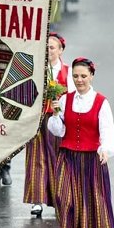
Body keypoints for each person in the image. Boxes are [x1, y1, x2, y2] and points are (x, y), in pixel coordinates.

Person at [47, 58, 114, 228]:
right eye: (76, 76)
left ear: (91, 76)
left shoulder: (101, 102)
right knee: (64, 197)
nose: (79, 80)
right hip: (67, 155)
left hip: (90, 159)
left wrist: (105, 150)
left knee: (87, 200)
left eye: (83, 76)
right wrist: (56, 113)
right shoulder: (65, 99)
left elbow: (107, 130)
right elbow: (58, 130)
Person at [24, 33, 70, 218]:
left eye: (52, 47)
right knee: (37, 157)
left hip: (59, 118)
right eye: (46, 47)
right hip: (38, 117)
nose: (49, 51)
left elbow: (73, 96)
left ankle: (61, 198)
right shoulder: (36, 70)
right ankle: (37, 200)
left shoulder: (68, 71)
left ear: (60, 50)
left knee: (60, 158)